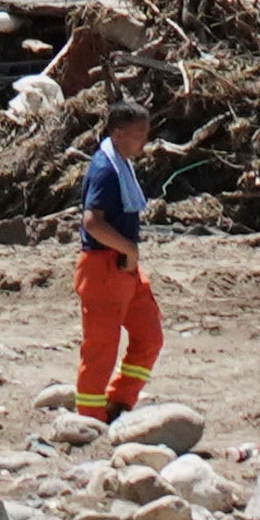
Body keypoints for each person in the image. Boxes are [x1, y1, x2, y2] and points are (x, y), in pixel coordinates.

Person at [68, 96, 162, 423]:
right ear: (118, 133)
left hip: (124, 268)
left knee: (149, 336)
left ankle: (119, 401)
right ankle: (90, 419)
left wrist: (129, 256)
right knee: (101, 348)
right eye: (139, 132)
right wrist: (129, 250)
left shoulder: (121, 164)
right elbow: (92, 221)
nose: (144, 139)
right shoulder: (105, 168)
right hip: (104, 267)